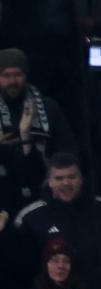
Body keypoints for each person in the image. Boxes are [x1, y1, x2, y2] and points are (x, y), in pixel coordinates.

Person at [14, 154, 101, 289]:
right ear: (49, 181)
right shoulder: (31, 217)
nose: (66, 182)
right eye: (59, 178)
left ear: (81, 179)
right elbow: (21, 270)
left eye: (71, 177)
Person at [0, 48, 77, 217]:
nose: (12, 81)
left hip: (42, 193)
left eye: (18, 74)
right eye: (6, 75)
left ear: (26, 75)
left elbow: (67, 150)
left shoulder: (48, 108)